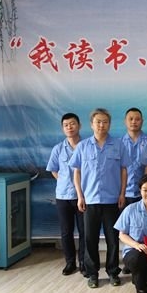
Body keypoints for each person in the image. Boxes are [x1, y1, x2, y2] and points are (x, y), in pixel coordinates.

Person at [69, 108, 131, 289]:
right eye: (98, 122)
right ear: (91, 124)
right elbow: (77, 172)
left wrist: (122, 193)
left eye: (105, 122)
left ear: (109, 124)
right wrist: (80, 196)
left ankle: (113, 272)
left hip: (112, 200)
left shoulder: (118, 145)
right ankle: (93, 274)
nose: (101, 125)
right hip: (90, 200)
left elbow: (124, 170)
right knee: (90, 239)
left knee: (113, 238)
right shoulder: (83, 146)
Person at [46, 112, 86, 276]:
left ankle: (83, 262)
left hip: (83, 196)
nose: (70, 127)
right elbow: (53, 170)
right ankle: (70, 262)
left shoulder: (86, 146)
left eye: (72, 124)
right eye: (66, 125)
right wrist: (65, 182)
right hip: (63, 196)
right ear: (63, 128)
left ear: (79, 125)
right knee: (66, 231)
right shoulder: (58, 149)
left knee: (84, 231)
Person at [122, 107, 147, 206]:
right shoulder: (119, 143)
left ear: (142, 121)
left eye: (137, 119)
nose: (134, 122)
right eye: (131, 119)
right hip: (124, 194)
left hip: (145, 194)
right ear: (125, 121)